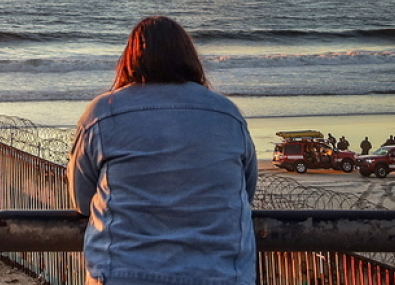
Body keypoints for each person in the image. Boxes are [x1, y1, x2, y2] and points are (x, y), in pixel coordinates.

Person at [69, 17, 257, 285]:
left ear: (129, 59)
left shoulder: (103, 112)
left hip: (122, 273)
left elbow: (81, 199)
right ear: (189, 57)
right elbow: (245, 191)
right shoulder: (227, 113)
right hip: (220, 273)